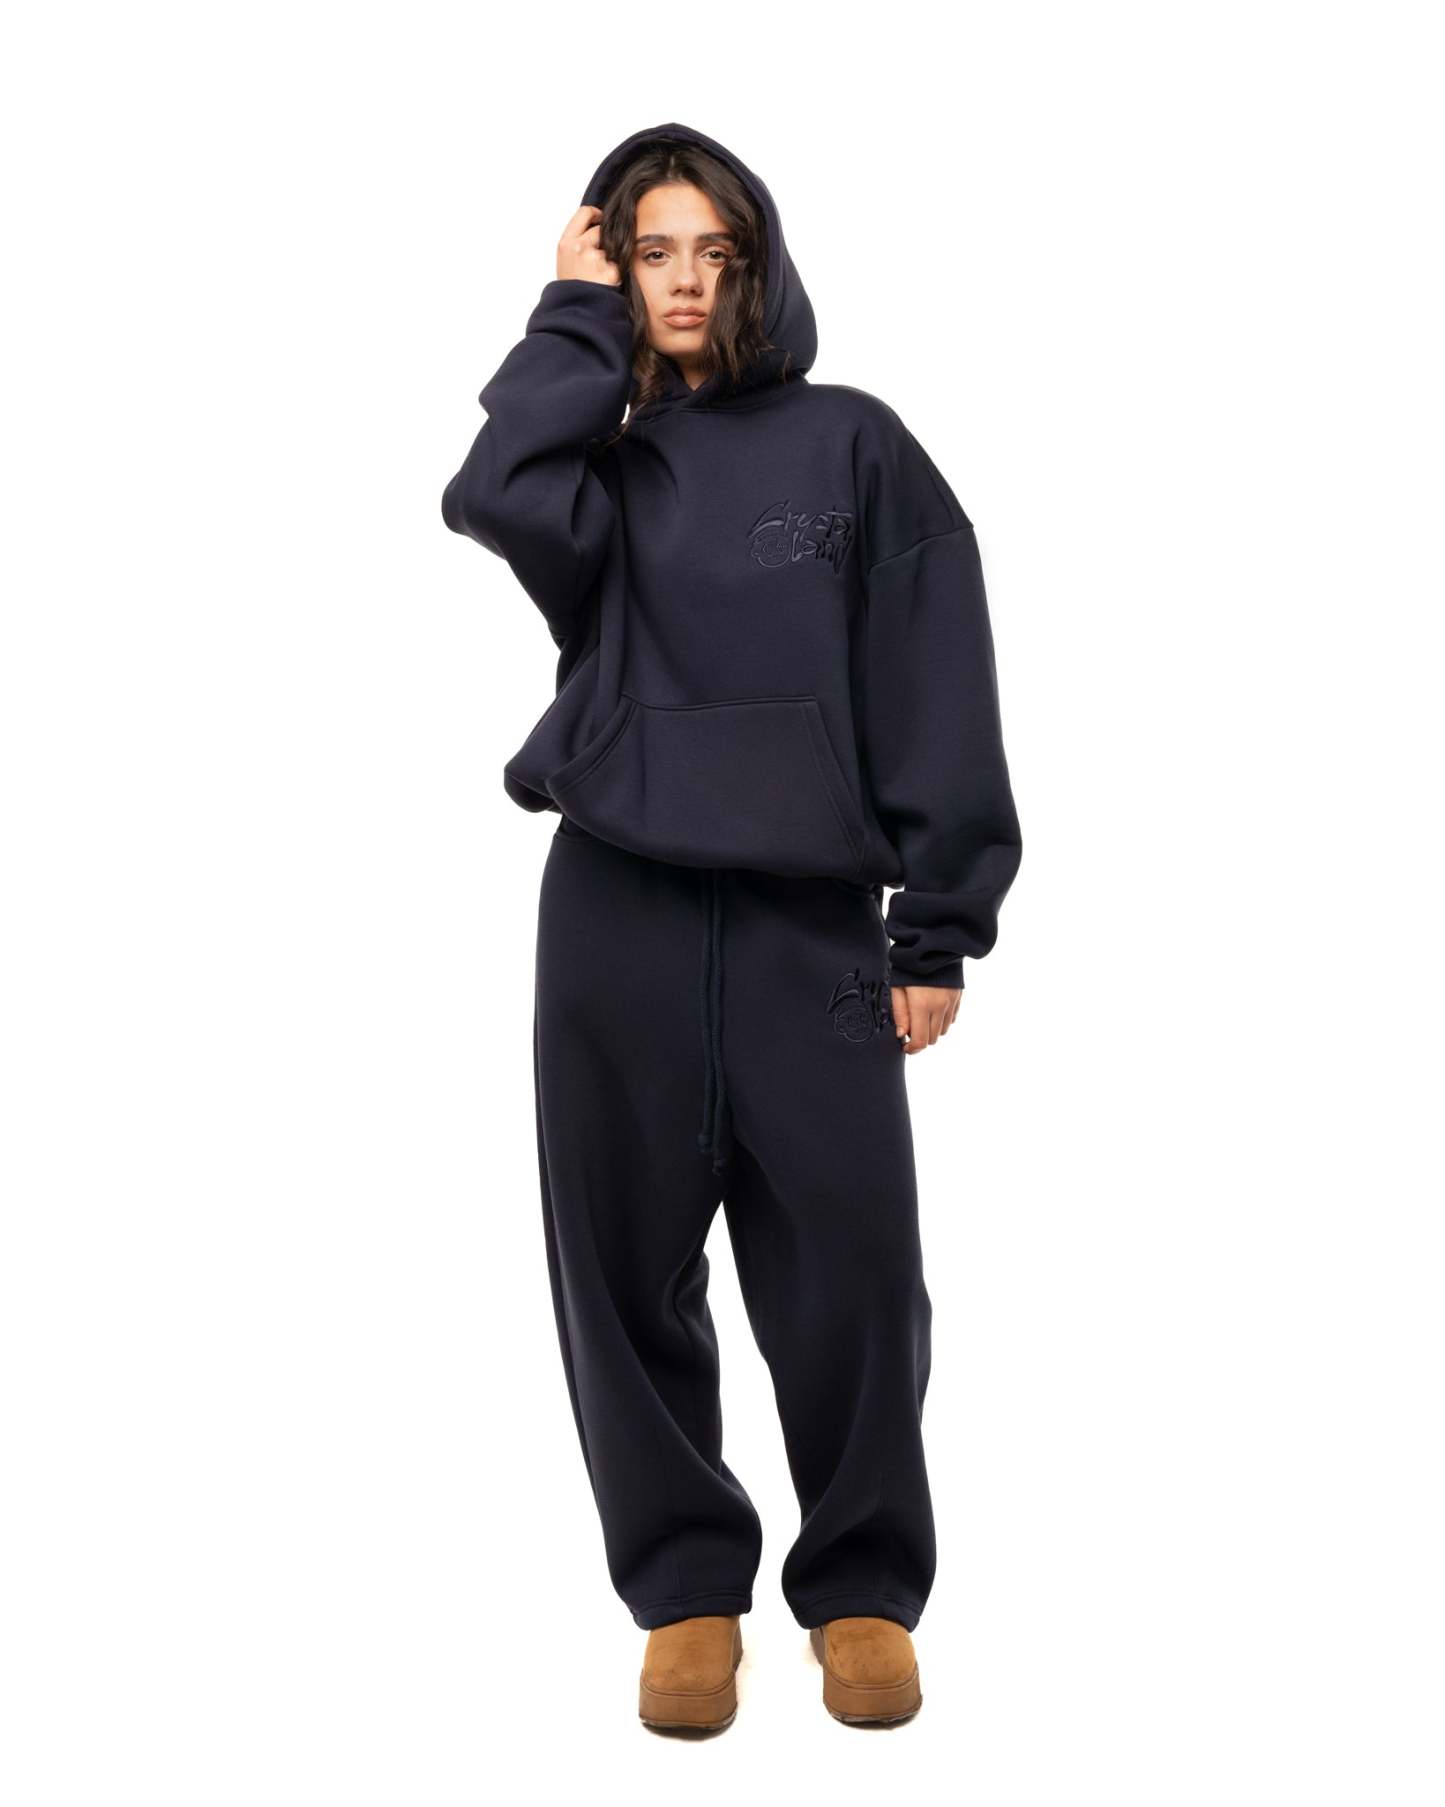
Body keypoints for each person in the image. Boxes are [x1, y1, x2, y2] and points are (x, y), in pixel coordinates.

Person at [440, 121, 1021, 1732]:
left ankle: (862, 1591)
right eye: (650, 254)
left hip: (807, 922)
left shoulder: (854, 445)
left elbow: (932, 675)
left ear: (757, 265)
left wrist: (935, 925)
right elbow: (489, 494)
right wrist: (569, 323)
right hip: (613, 902)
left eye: (714, 252)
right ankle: (687, 1592)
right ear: (613, 271)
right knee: (617, 1263)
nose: (684, 283)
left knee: (853, 1268)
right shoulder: (597, 464)